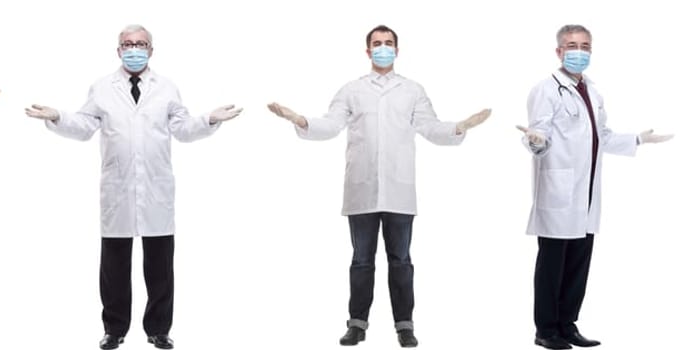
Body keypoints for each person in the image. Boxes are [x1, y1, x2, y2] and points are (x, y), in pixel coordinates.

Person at [265, 25, 491, 348]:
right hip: (362, 190)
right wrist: (300, 120)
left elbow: (430, 127)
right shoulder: (352, 90)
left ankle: (405, 325)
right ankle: (357, 324)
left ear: (397, 50)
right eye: (377, 44)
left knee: (401, 259)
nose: (383, 48)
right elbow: (330, 124)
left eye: (388, 43)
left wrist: (459, 127)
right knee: (361, 260)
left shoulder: (412, 90)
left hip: (399, 190)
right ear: (368, 51)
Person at [22, 24, 239, 350]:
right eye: (127, 44)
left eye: (140, 44)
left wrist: (209, 119)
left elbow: (182, 128)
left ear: (151, 50)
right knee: (114, 267)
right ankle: (114, 329)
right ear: (118, 50)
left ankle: (158, 329)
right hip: (118, 191)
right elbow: (84, 126)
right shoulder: (102, 88)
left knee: (160, 266)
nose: (133, 49)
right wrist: (57, 116)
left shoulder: (166, 88)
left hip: (156, 191)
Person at [516, 24, 672, 350]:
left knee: (578, 264)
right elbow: (538, 135)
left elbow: (603, 138)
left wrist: (639, 139)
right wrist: (534, 141)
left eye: (585, 46)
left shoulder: (594, 92)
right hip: (559, 192)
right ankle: (546, 330)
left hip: (585, 194)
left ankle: (568, 325)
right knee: (552, 266)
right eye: (572, 45)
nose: (579, 51)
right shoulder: (546, 89)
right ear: (559, 51)